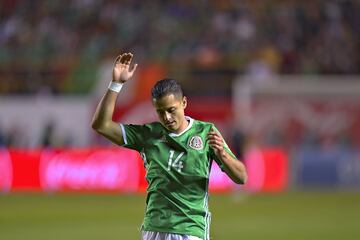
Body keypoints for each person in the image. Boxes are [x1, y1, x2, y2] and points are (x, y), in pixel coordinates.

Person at [91, 52, 247, 240]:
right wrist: (116, 84)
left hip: (191, 230)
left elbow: (241, 177)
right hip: (154, 229)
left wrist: (223, 155)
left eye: (171, 110)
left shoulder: (205, 133)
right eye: (160, 112)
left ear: (184, 103)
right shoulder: (149, 135)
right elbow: (101, 125)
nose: (167, 117)